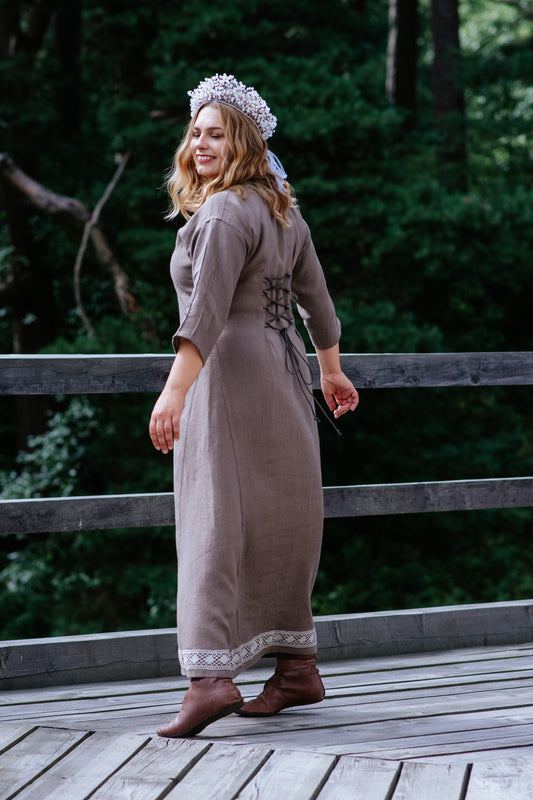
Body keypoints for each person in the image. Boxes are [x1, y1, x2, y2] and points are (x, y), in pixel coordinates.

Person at [149, 73, 359, 738]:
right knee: (280, 515)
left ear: (242, 142)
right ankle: (296, 668)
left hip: (226, 377)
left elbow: (205, 313)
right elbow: (317, 304)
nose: (199, 144)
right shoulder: (280, 210)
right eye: (195, 133)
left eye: (215, 134)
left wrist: (172, 392)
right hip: (283, 371)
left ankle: (209, 681)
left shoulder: (220, 214)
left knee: (214, 519)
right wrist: (329, 371)